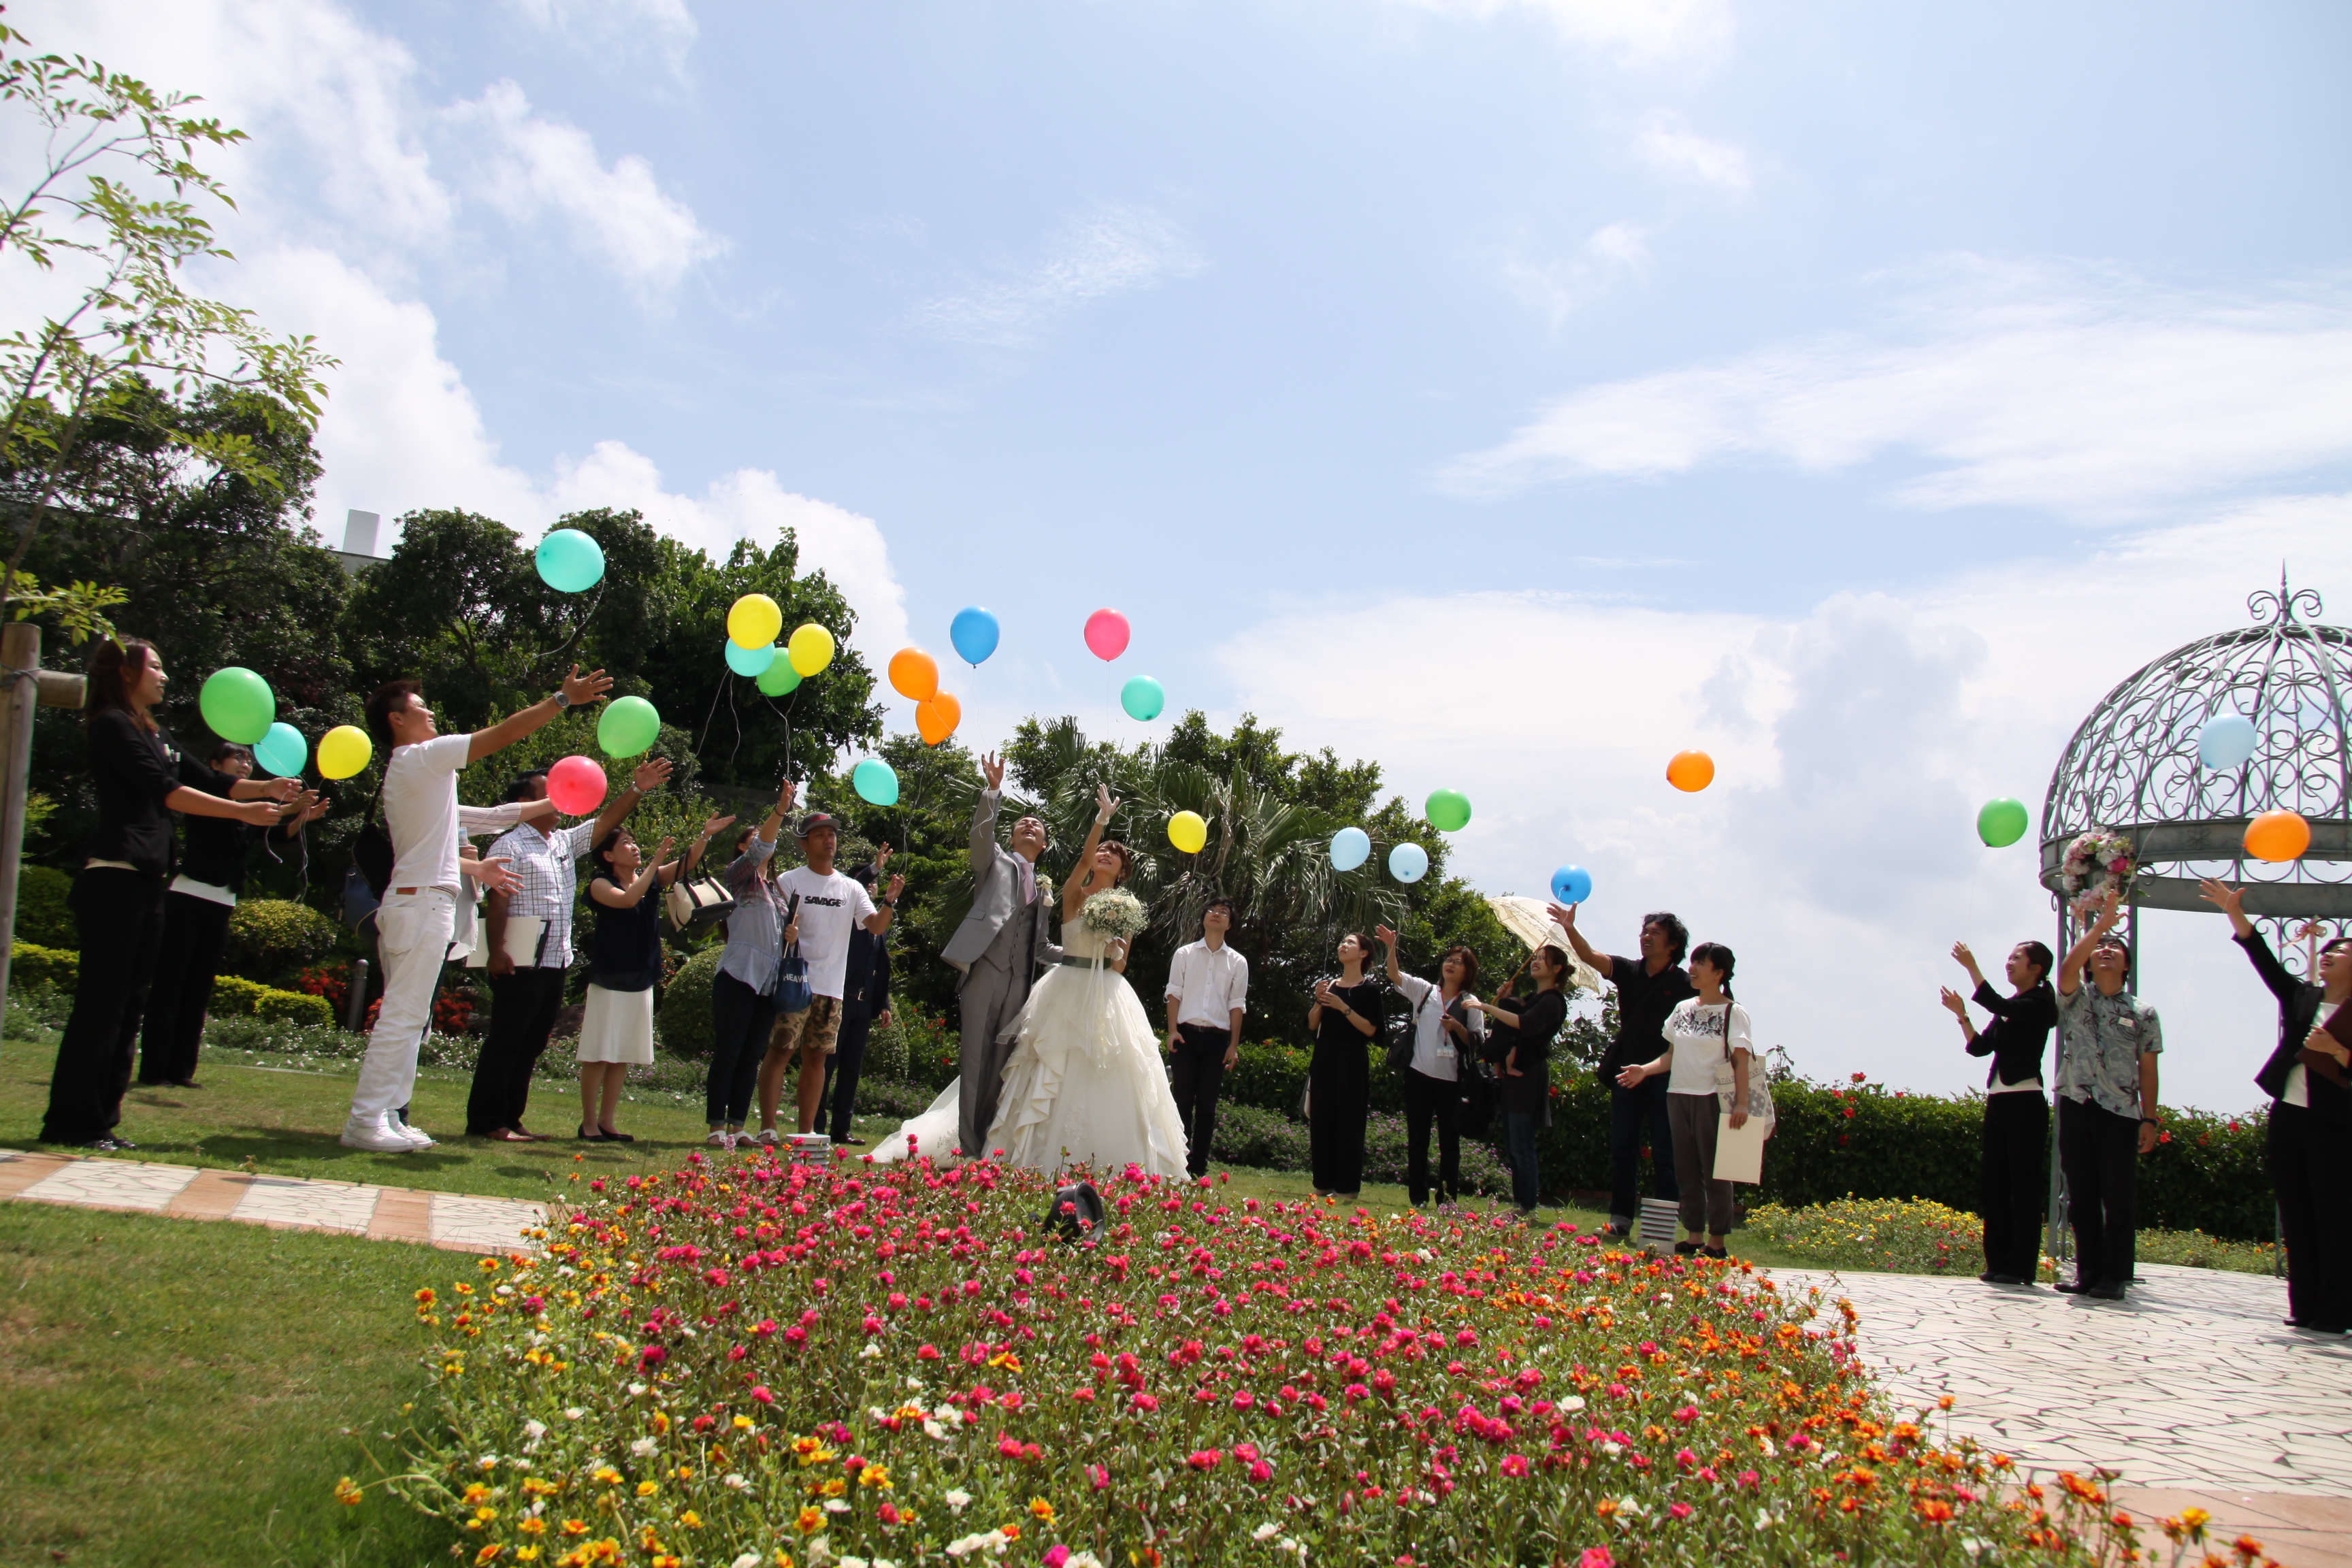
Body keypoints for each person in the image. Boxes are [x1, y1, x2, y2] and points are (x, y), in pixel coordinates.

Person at [341, 665, 612, 1153]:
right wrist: (561, 700)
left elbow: (492, 817)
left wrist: (557, 803)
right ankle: (366, 1119)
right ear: (396, 720)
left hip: (422, 905)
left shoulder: (420, 779)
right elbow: (503, 735)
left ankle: (389, 1116)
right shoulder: (422, 757)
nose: (431, 715)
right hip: (419, 906)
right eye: (421, 709)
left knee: (413, 1018)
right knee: (402, 1018)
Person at [40, 639, 299, 1150]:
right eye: (155, 666)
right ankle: (71, 1121)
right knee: (103, 1004)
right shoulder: (113, 724)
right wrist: (244, 814)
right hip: (112, 878)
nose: (163, 675)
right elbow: (167, 791)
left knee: (132, 1001)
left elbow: (212, 781)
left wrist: (268, 790)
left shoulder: (154, 732)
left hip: (146, 883)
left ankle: (102, 1121)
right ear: (127, 672)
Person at [875, 779, 1188, 1176]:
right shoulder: (1067, 888)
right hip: (1040, 985)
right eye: (1103, 850)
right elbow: (1074, 865)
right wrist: (1100, 822)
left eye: (1114, 852)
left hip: (1085, 989)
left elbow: (1099, 960)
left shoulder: (1125, 908)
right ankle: (981, 1144)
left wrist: (1113, 949)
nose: (1105, 854)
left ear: (1125, 870)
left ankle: (1088, 1151)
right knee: (1011, 1063)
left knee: (1082, 1067)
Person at [469, 756, 671, 1141]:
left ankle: (512, 1118)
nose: (559, 797)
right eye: (547, 792)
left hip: (554, 960)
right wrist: (496, 951)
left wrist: (637, 790)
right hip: (519, 959)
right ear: (525, 805)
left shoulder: (560, 842)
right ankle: (487, 1120)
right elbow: (497, 902)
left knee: (532, 1043)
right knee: (507, 1040)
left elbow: (605, 824)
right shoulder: (509, 844)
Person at [2199, 879, 2351, 1333]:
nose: (2327, 955)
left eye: (2339, 953)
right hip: (2289, 1116)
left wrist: (2340, 1053)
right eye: (2326, 952)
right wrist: (2235, 913)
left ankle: (2336, 1311)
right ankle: (2304, 1307)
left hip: (2336, 1124)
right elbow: (2264, 962)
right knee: (2297, 1214)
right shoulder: (2304, 997)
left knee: (2334, 1217)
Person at [135, 739, 326, 1088]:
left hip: (222, 900)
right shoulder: (205, 797)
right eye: (236, 757)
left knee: (198, 989)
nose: (244, 764)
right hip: (188, 895)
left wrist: (300, 814)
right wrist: (283, 808)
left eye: (248, 760)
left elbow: (271, 832)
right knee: (170, 986)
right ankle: (154, 1070)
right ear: (214, 764)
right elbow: (239, 811)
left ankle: (180, 1071)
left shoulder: (248, 809)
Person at [756, 796, 906, 1140]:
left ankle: (806, 1133)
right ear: (804, 843)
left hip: (831, 989)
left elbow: (876, 926)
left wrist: (889, 900)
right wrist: (787, 933)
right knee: (780, 1052)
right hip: (794, 983)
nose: (829, 839)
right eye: (820, 834)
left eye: (832, 834)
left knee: (817, 1060)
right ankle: (769, 1128)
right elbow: (774, 926)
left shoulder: (851, 887)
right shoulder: (790, 881)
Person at [938, 751, 1064, 1158]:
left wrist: (1084, 955)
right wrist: (992, 793)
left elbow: (1042, 947)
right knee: (974, 1061)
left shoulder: (1045, 890)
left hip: (1020, 985)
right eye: (1022, 823)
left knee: (1001, 1066)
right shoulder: (994, 863)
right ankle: (969, 1149)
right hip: (985, 972)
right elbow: (980, 839)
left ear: (1043, 844)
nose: (1029, 825)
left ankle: (990, 1143)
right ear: (1011, 838)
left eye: (1037, 825)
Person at [1553, 900, 1693, 1238]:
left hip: (1666, 1075)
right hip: (1627, 1074)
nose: (1645, 937)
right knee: (1623, 1148)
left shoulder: (1687, 985)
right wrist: (1570, 928)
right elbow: (1590, 957)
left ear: (1673, 944)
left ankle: (1662, 1227)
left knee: (1665, 1152)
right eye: (1644, 932)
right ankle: (1620, 1220)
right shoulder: (1630, 970)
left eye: (1655, 933)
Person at [2052, 888, 2163, 1301]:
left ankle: (2115, 1277)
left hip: (2120, 1110)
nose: (2106, 951)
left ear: (2127, 965)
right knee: (2081, 1195)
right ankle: (2087, 1273)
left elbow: (2148, 1069)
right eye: (2100, 948)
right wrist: (2100, 925)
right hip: (2078, 1103)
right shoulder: (2075, 999)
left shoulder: (2143, 1012)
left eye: (2115, 948)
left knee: (2117, 1198)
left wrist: (2149, 1118)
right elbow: (2066, 968)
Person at [1618, 942, 1752, 1258]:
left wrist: (1742, 1103)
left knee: (1717, 1171)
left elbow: (1742, 1060)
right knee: (1686, 1171)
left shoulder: (1734, 1012)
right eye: (1692, 962)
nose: (1692, 969)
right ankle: (1694, 1237)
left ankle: (1716, 1243)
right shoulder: (1683, 1008)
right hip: (1678, 1095)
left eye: (1700, 964)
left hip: (1712, 1100)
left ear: (1719, 973)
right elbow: (1670, 1056)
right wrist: (1644, 1070)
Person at [1940, 937, 2057, 1286]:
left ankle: (2020, 1267)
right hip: (1999, 1101)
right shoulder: (2009, 1009)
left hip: (2026, 1103)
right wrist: (1962, 1015)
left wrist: (1972, 967)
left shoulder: (2040, 1003)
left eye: (2016, 959)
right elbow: (1979, 1048)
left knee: (2023, 1187)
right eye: (2008, 957)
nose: (2009, 963)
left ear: (2036, 969)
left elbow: (1997, 1002)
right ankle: (1998, 1263)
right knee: (1995, 1183)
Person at [576, 825, 701, 1141]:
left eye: (634, 841)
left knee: (623, 1052)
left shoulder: (651, 878)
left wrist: (705, 836)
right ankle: (588, 1123)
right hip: (610, 976)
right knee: (598, 1051)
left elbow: (687, 863)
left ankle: (607, 1121)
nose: (633, 847)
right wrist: (655, 861)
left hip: (641, 976)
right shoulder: (600, 884)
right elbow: (629, 899)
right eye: (625, 843)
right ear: (608, 855)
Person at [1377, 926, 1483, 1208]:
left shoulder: (1471, 1004)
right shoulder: (1425, 991)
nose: (1451, 964)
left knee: (1450, 1143)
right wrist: (1391, 947)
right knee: (1418, 1139)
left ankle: (1447, 1199)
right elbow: (1394, 976)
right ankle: (1418, 1197)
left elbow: (1477, 1043)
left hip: (1452, 1081)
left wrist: (1458, 1027)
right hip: (1418, 1075)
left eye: (1459, 962)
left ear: (1468, 971)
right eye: (1449, 959)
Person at [1469, 944, 1571, 1220]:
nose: (1535, 963)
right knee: (1514, 1144)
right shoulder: (1534, 997)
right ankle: (1520, 1205)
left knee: (1522, 1144)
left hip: (1529, 1074)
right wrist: (1506, 998)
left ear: (1557, 969)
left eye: (1543, 960)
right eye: (1535, 958)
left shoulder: (1553, 1001)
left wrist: (1489, 1007)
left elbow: (1525, 1024)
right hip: (1515, 1073)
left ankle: (1527, 1207)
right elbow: (1513, 1019)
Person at [1162, 897, 1248, 1179]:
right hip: (1185, 1035)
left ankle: (1199, 1166)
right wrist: (1172, 1030)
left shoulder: (1238, 961)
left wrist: (1233, 1045)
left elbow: (1237, 1004)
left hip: (1217, 1039)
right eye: (1212, 910)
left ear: (1230, 924)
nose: (1216, 915)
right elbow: (1174, 992)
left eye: (1223, 912)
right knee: (1182, 1100)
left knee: (1208, 1105)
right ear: (1203, 918)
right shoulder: (1184, 954)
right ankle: (1178, 1161)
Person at [822, 852, 897, 1146]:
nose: (871, 888)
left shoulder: (878, 924)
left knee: (851, 1070)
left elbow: (879, 966)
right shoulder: (845, 915)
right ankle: (815, 1125)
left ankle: (841, 1129)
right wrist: (874, 868)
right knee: (826, 1065)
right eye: (868, 883)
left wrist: (883, 1005)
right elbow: (857, 882)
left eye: (875, 885)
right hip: (839, 999)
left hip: (863, 1006)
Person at [1306, 932, 1381, 1198]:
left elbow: (1371, 1030)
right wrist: (1320, 1000)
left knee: (1349, 1123)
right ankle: (1323, 1183)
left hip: (1352, 1059)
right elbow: (1313, 1024)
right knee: (1322, 1120)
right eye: (1342, 942)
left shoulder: (1370, 990)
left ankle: (1347, 1188)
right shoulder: (1330, 986)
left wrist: (1343, 1007)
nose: (1343, 946)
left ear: (1363, 954)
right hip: (1325, 1056)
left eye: (1350, 943)